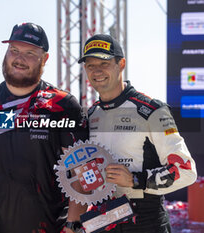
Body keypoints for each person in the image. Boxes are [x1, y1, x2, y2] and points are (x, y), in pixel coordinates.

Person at [0, 22, 88, 233]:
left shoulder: (63, 106)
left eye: (30, 53)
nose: (19, 59)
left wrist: (72, 225)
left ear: (45, 59)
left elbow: (81, 172)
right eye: (14, 50)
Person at [78, 34, 197, 232]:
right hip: (103, 218)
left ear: (121, 64)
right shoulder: (90, 115)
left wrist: (135, 180)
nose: (96, 71)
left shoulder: (151, 110)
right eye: (90, 65)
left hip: (145, 220)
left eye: (104, 63)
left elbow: (186, 171)